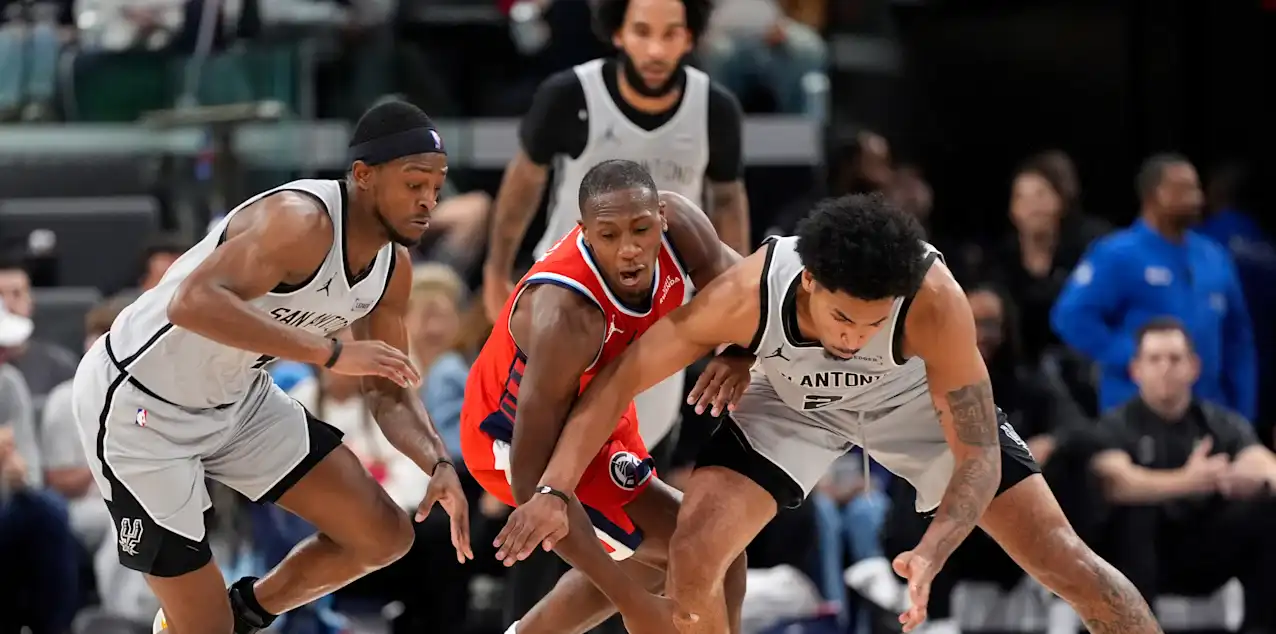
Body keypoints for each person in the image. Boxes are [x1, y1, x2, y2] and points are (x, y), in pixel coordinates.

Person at [498, 193, 1162, 634]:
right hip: (795, 403)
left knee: (1066, 561)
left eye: (872, 323)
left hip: (908, 405)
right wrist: (554, 488)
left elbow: (980, 455)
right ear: (809, 281)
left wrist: (934, 548)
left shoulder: (936, 301)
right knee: (695, 548)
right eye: (842, 318)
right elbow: (617, 382)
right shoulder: (747, 291)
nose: (851, 337)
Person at [69, 100, 473, 634]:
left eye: (437, 185)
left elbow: (387, 388)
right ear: (364, 176)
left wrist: (437, 462)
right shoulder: (299, 221)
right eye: (414, 183)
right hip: (140, 403)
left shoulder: (392, 269)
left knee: (384, 535)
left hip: (236, 397)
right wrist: (329, 353)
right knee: (199, 627)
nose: (429, 200)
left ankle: (247, 611)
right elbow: (191, 302)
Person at [461, 159, 749, 634]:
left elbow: (748, 291)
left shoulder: (685, 231)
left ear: (662, 216)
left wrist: (740, 354)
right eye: (610, 235)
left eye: (641, 229)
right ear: (585, 233)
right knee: (704, 546)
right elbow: (535, 478)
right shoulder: (568, 316)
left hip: (601, 409)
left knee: (661, 546)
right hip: (512, 437)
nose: (630, 249)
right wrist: (632, 605)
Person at [480, 0, 749, 453]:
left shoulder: (714, 109)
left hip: (661, 307)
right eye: (643, 32)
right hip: (567, 294)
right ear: (618, 32)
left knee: (641, 451)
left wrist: (734, 302)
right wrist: (495, 268)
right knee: (543, 450)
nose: (657, 50)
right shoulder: (570, 96)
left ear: (691, 36)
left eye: (671, 35)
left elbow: (727, 202)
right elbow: (523, 184)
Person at [1083, 317, 1276, 632]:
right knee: (1135, 511)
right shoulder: (1116, 425)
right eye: (1154, 359)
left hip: (1203, 549)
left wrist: (1250, 479)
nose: (1165, 368)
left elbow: (1265, 465)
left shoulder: (1219, 423)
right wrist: (1191, 480)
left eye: (1175, 359)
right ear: (1136, 369)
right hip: (1139, 558)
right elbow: (1115, 483)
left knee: (1268, 508)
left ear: (1194, 367)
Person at [1051, 153, 1256, 419]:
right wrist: (1133, 357)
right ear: (1152, 195)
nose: (1198, 199)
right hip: (1133, 413)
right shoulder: (1117, 254)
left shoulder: (1214, 256)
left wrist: (1243, 411)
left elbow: (1238, 340)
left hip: (1208, 412)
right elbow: (1069, 317)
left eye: (1196, 189)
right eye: (1184, 190)